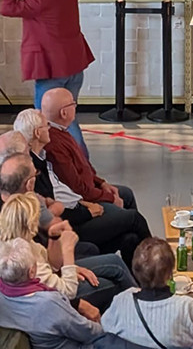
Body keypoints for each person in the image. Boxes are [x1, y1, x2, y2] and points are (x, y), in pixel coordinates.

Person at [15, 107, 152, 267]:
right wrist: (87, 211)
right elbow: (54, 211)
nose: (50, 129)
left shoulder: (42, 157)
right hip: (73, 226)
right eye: (47, 126)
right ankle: (157, 264)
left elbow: (62, 192)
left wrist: (85, 202)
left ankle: (142, 279)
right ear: (38, 133)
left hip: (78, 209)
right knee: (134, 218)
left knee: (131, 238)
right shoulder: (33, 169)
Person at [0, 0, 94, 158]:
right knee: (67, 117)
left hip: (52, 68)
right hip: (74, 65)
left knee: (46, 119)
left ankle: (74, 163)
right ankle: (78, 163)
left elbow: (6, 7)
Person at [0, 192, 136, 314]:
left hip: (51, 282)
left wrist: (54, 238)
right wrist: (68, 251)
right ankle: (138, 311)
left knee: (114, 262)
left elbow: (53, 265)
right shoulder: (24, 257)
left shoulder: (11, 239)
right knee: (111, 285)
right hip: (53, 301)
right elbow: (67, 292)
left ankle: (139, 305)